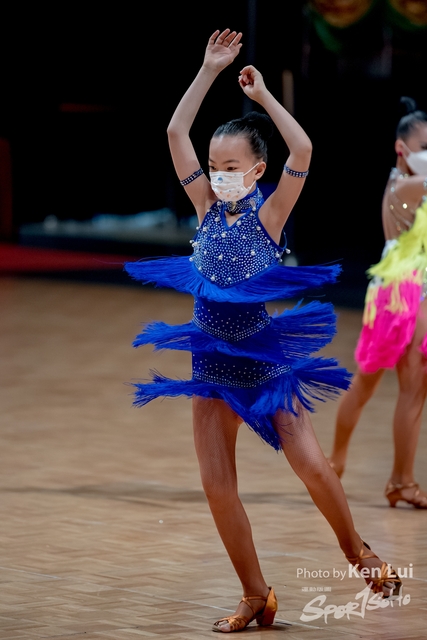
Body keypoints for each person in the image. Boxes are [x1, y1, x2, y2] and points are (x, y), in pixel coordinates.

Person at [125, 29, 402, 632]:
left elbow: (303, 147)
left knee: (312, 466)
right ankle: (256, 595)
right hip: (210, 365)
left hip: (263, 361)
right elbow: (175, 133)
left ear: (256, 170)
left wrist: (264, 97)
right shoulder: (204, 207)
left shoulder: (271, 215)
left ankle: (358, 553)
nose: (218, 176)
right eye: (212, 167)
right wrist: (208, 70)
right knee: (216, 486)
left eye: (230, 168)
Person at [327, 97, 427, 509]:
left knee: (387, 384)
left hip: (403, 288)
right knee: (405, 386)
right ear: (401, 149)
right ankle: (391, 478)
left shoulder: (409, 181)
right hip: (405, 291)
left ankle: (341, 464)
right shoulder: (405, 185)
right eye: (425, 147)